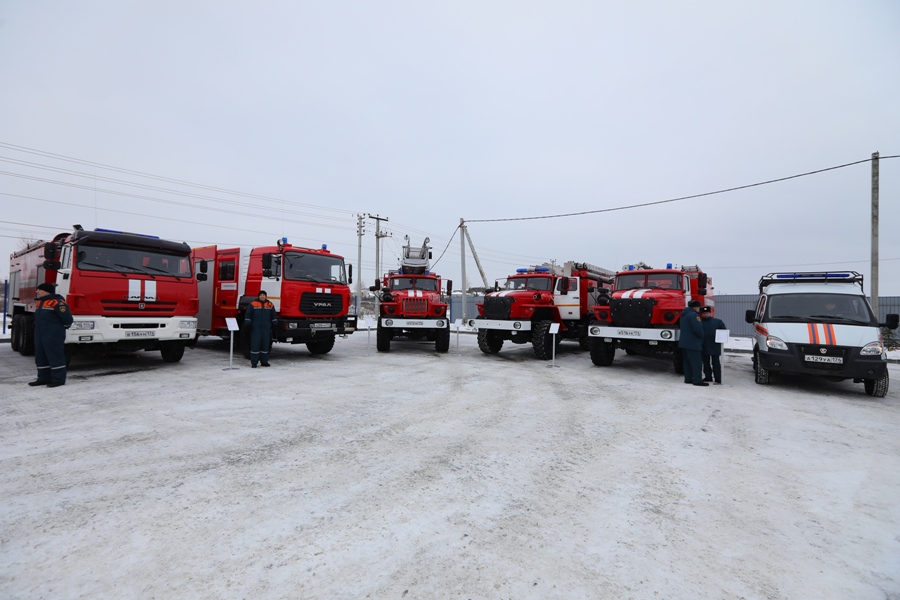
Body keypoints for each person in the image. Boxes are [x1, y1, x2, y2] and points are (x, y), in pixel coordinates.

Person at [28, 282, 73, 387]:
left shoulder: (57, 303)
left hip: (53, 334)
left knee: (55, 356)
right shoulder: (40, 302)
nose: (37, 291)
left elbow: (67, 319)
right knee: (40, 356)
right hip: (40, 334)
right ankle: (43, 378)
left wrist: (58, 330)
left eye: (39, 290)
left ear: (47, 291)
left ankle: (58, 379)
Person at [679, 300, 707, 386]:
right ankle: (697, 380)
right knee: (696, 362)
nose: (699, 309)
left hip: (684, 343)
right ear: (695, 307)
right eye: (699, 307)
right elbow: (697, 329)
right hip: (693, 343)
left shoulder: (683, 315)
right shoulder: (694, 315)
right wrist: (702, 335)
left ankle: (688, 378)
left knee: (687, 362)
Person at [245, 290, 276, 368]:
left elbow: (273, 315)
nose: (262, 296)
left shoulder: (270, 305)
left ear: (266, 296)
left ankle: (264, 361)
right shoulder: (253, 304)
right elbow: (248, 314)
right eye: (261, 295)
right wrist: (248, 322)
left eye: (263, 295)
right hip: (256, 327)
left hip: (266, 328)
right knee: (255, 344)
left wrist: (274, 323)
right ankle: (254, 362)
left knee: (265, 345)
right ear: (259, 296)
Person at [700, 306, 727, 384]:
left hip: (715, 345)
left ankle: (718, 377)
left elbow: (723, 331)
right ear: (702, 314)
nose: (706, 314)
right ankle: (708, 377)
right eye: (704, 313)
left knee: (716, 363)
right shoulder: (699, 322)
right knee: (705, 363)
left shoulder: (718, 322)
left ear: (710, 313)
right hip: (704, 346)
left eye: (707, 313)